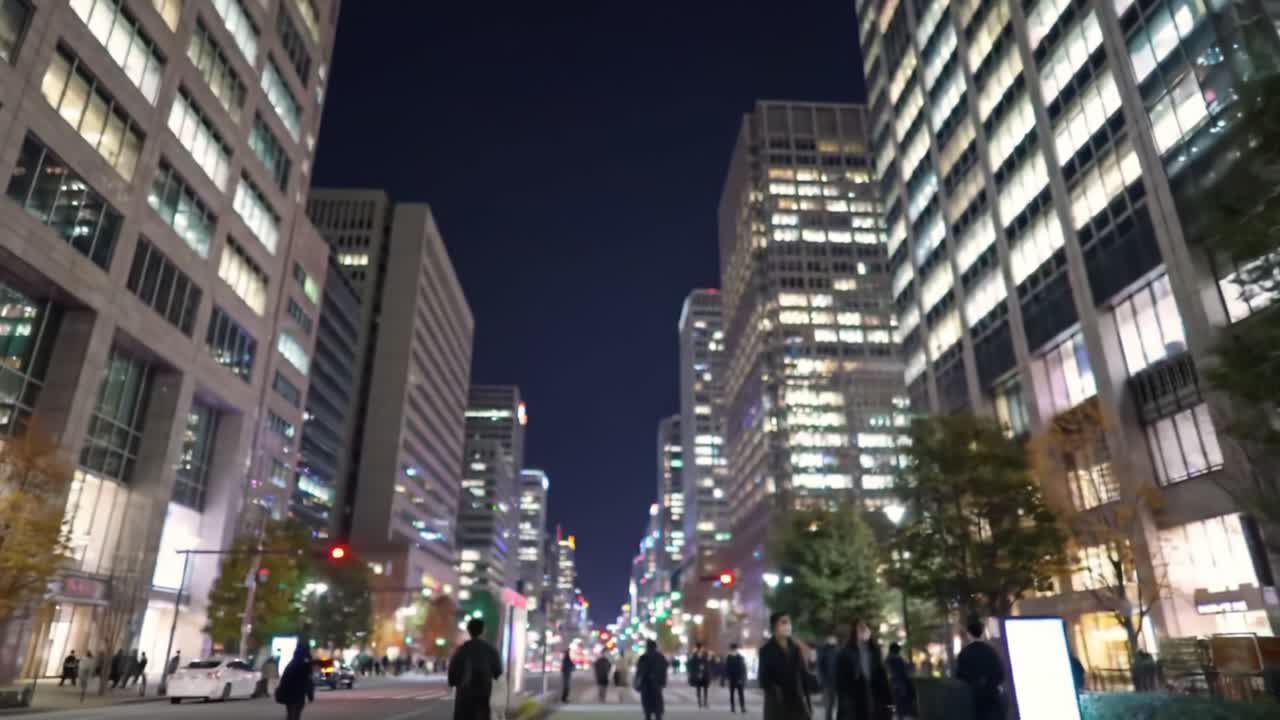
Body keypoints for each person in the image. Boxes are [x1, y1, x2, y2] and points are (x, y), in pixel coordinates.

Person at [759, 612, 813, 720]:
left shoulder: (796, 649)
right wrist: (776, 690)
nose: (788, 626)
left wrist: (808, 703)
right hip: (777, 706)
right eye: (784, 622)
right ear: (775, 626)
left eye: (789, 622)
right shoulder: (766, 650)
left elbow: (803, 675)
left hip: (797, 705)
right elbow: (763, 679)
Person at [448, 618, 503, 720]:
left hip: (464, 693)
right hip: (483, 692)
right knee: (482, 714)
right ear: (483, 631)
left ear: (469, 631)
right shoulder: (490, 650)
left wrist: (454, 682)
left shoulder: (462, 649)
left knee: (463, 715)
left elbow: (452, 672)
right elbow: (498, 672)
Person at [835, 620, 891, 720]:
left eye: (865, 628)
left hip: (874, 695)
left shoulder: (875, 651)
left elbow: (882, 676)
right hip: (855, 698)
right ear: (855, 631)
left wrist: (888, 701)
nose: (864, 631)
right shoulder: (845, 653)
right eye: (861, 628)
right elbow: (841, 682)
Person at [955, 619, 1005, 720]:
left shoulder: (964, 654)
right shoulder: (991, 651)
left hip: (973, 699)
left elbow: (959, 677)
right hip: (992, 698)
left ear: (969, 635)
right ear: (982, 633)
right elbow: (1000, 674)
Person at [275, 646, 315, 720]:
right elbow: (308, 681)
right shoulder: (305, 665)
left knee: (291, 714)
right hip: (299, 694)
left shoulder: (291, 665)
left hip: (289, 693)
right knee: (296, 714)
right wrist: (310, 695)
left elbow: (284, 680)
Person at [635, 639, 669, 720]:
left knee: (648, 711)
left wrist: (637, 684)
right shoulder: (660, 657)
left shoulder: (643, 658)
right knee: (657, 711)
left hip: (647, 686)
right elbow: (664, 670)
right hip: (655, 686)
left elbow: (639, 673)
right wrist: (662, 682)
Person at [884, 643, 916, 719]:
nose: (898, 652)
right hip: (900, 683)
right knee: (901, 702)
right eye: (898, 650)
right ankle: (901, 716)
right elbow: (903, 671)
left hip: (893, 683)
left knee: (897, 703)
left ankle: (900, 717)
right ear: (895, 650)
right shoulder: (897, 659)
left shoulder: (888, 659)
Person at [817, 635, 839, 720]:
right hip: (827, 681)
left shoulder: (837, 650)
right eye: (832, 638)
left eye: (835, 638)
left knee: (836, 703)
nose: (834, 640)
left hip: (837, 681)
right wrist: (821, 680)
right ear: (828, 640)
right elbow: (819, 666)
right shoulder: (823, 650)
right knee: (829, 704)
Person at [726, 643, 748, 714]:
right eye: (733, 650)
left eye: (734, 650)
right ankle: (733, 707)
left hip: (739, 678)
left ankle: (742, 707)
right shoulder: (729, 658)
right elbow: (727, 669)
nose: (734, 651)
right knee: (732, 694)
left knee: (740, 694)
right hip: (732, 678)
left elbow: (743, 668)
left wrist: (742, 678)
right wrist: (728, 678)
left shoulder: (740, 657)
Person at [688, 643, 710, 708]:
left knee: (705, 688)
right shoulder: (694, 655)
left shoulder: (705, 654)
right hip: (697, 674)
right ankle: (700, 702)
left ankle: (705, 702)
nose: (700, 649)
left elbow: (707, 662)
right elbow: (692, 664)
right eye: (699, 648)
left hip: (705, 673)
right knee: (698, 689)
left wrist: (704, 667)